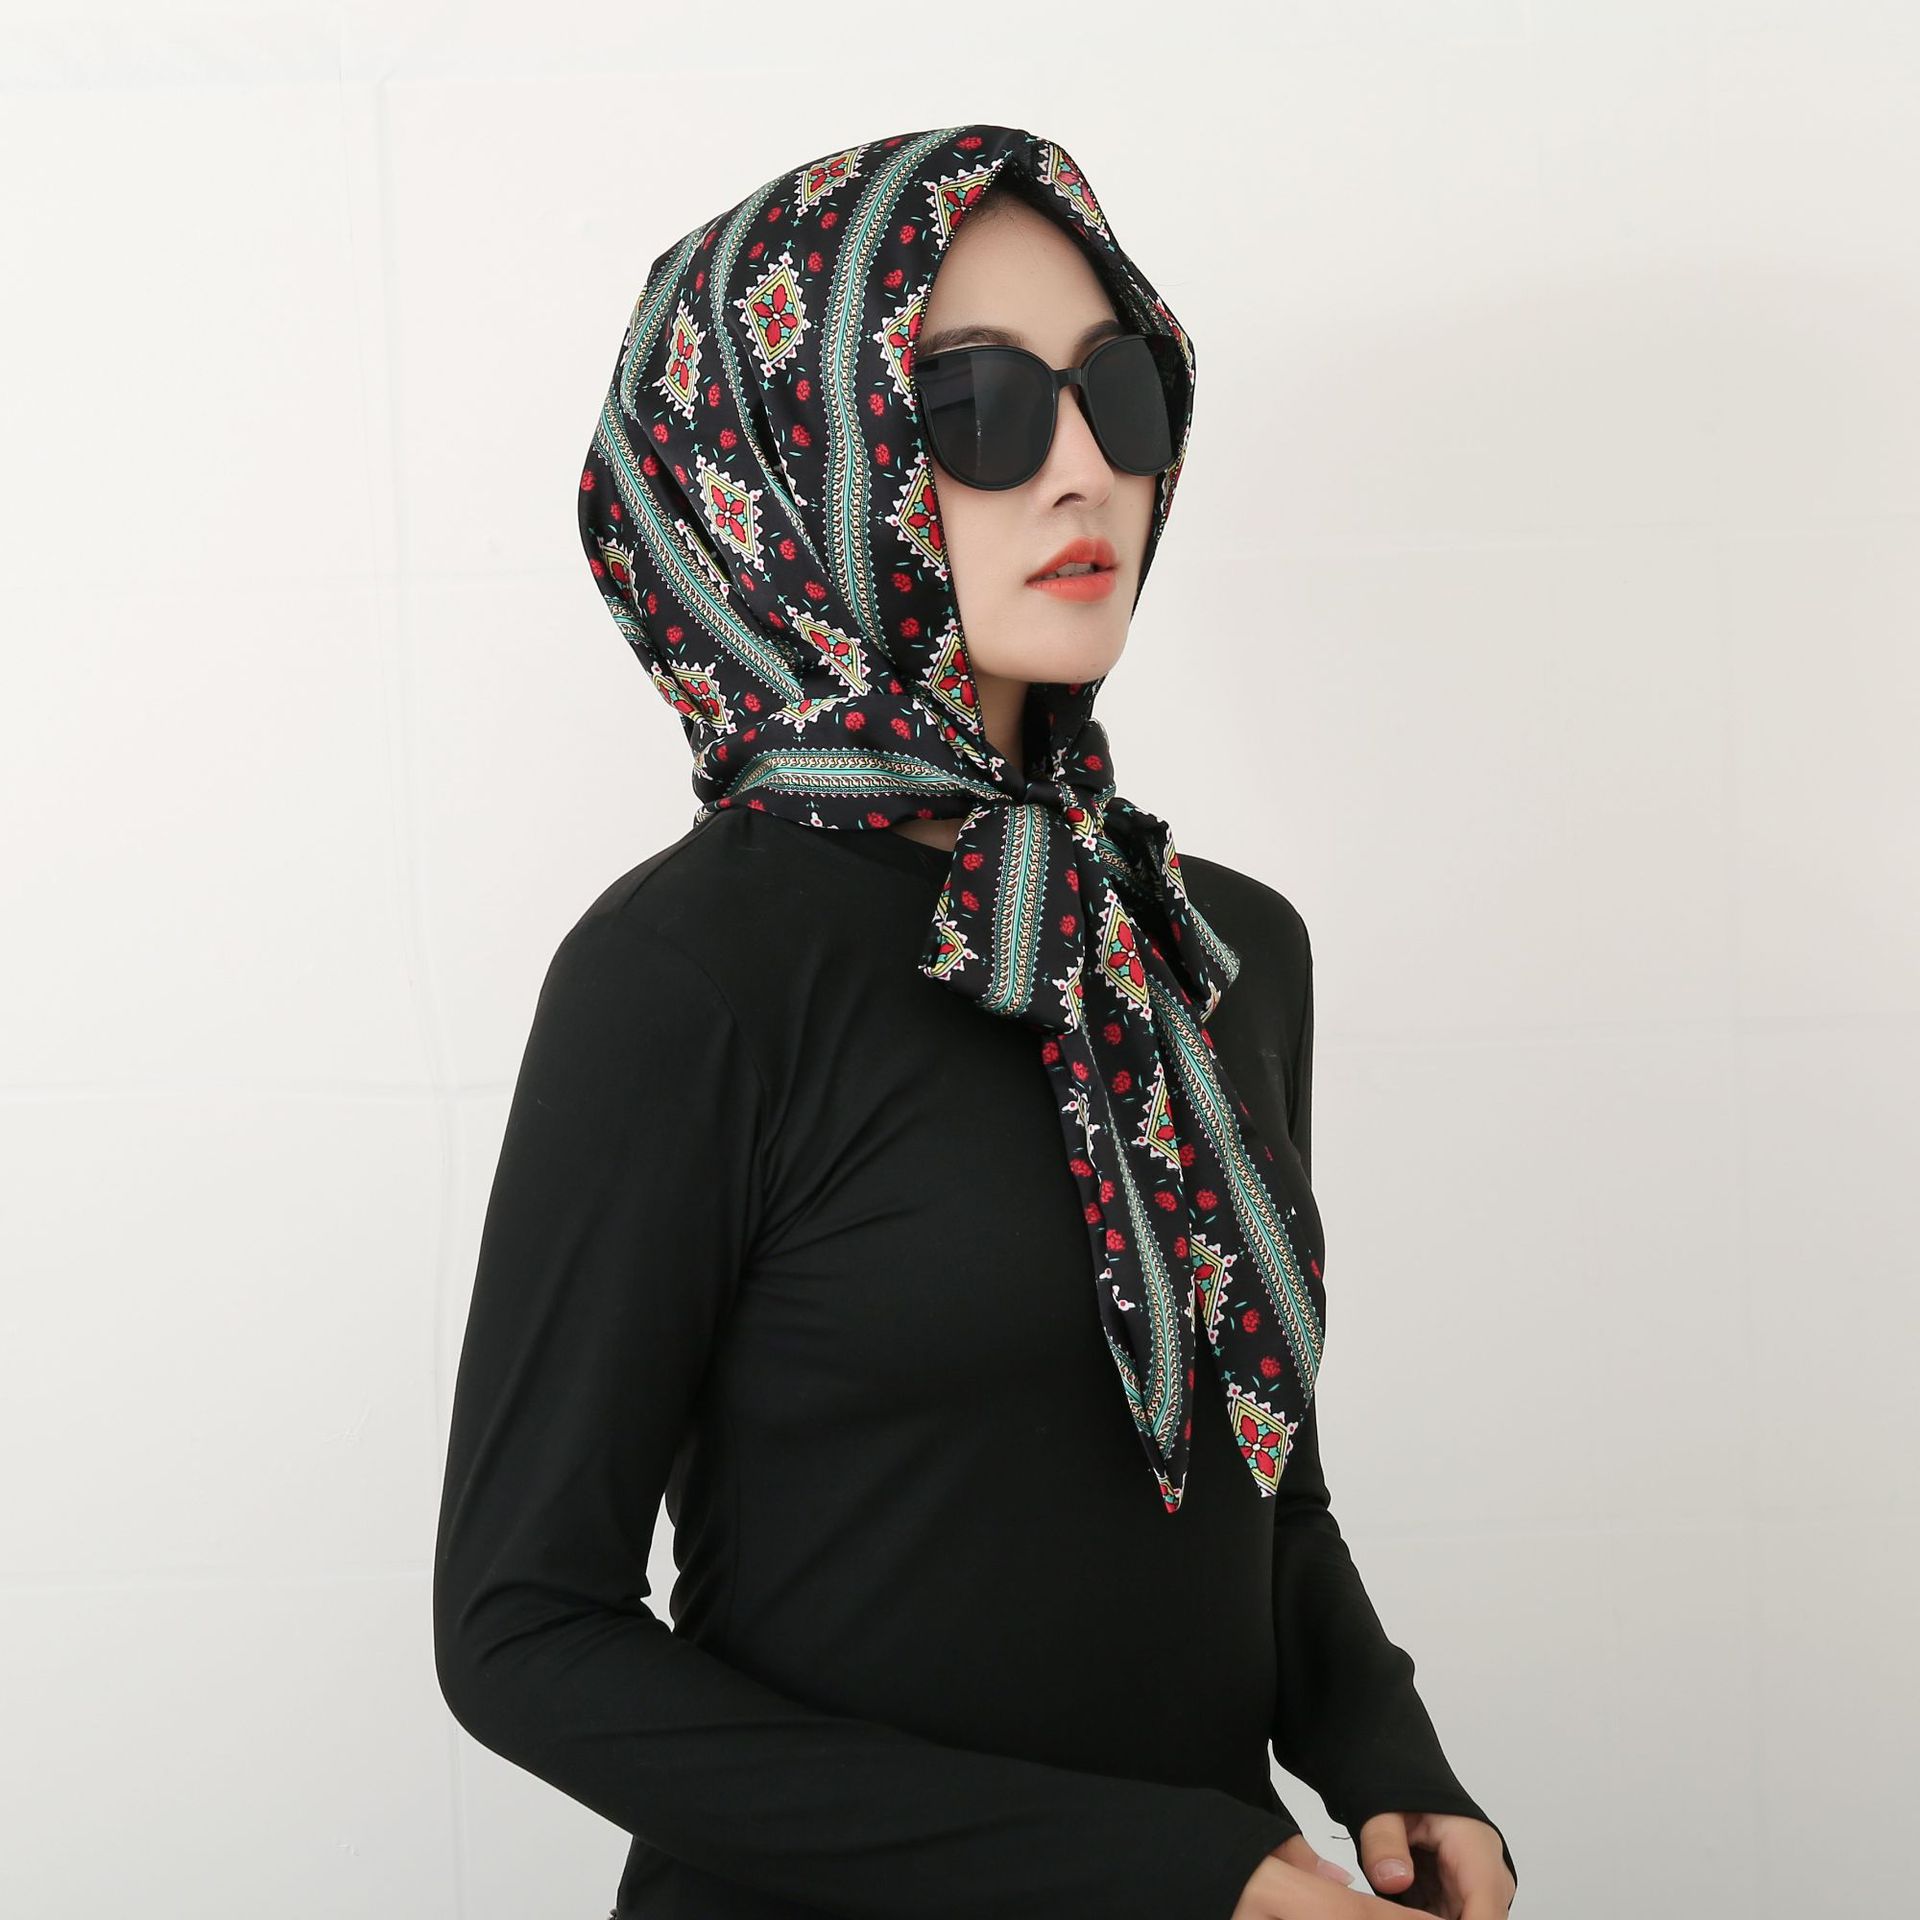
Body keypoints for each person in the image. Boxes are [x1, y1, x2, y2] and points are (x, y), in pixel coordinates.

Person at [433, 124, 1518, 1920]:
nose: (1086, 469)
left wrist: (1386, 1753)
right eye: (977, 407)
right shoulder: (688, 976)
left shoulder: (1216, 947)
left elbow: (1255, 1477)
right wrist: (1181, 1872)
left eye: (1122, 392)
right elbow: (520, 1633)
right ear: (791, 460)